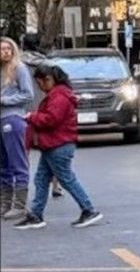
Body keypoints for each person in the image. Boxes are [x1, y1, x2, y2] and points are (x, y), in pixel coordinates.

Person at [14, 65, 102, 230]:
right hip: (53, 144)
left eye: (40, 82)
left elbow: (51, 120)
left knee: (66, 179)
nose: (39, 86)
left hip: (58, 144)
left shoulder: (59, 96)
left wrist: (32, 117)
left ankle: (89, 210)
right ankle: (36, 215)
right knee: (41, 179)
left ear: (47, 80)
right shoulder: (58, 94)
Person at [1, 37, 35, 221]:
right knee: (3, 165)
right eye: (2, 49)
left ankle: (19, 205)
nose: (5, 52)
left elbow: (28, 94)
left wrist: (5, 100)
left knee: (17, 162)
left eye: (8, 49)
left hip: (13, 118)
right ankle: (5, 203)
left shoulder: (19, 69)